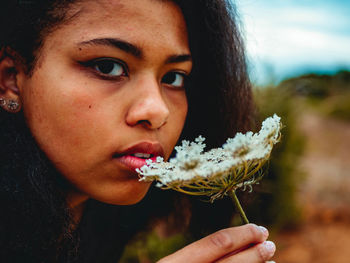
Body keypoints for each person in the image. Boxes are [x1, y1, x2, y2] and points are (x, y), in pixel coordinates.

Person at [0, 0, 276, 262]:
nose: (157, 112)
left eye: (173, 77)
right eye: (107, 67)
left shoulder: (99, 229)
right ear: (10, 79)